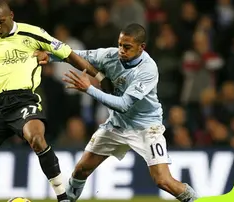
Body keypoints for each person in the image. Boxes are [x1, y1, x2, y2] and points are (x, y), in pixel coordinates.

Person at [0, 1, 112, 202]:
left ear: (11, 16)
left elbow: (68, 54)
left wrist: (100, 77)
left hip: (24, 100)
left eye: (0, 22)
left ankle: (63, 198)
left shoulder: (33, 33)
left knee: (36, 139)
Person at [36, 23, 198, 202]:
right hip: (117, 125)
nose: (121, 50)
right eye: (120, 44)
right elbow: (75, 55)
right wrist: (49, 56)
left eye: (127, 47)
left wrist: (89, 89)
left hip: (146, 128)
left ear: (141, 47)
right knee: (81, 169)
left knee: (163, 180)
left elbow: (124, 104)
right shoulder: (109, 55)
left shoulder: (147, 70)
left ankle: (196, 200)